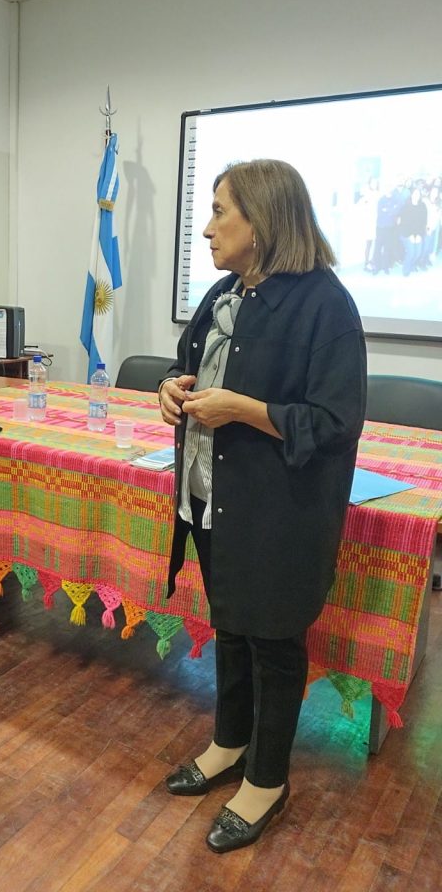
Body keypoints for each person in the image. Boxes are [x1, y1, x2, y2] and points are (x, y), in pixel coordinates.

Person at [158, 159, 366, 853]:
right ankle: (229, 743)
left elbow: (336, 422)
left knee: (273, 642)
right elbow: (188, 367)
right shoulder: (223, 293)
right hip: (214, 499)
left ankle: (267, 780)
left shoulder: (326, 305)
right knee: (232, 625)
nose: (208, 229)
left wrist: (246, 410)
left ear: (264, 220)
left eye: (220, 212)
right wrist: (171, 388)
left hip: (280, 513)